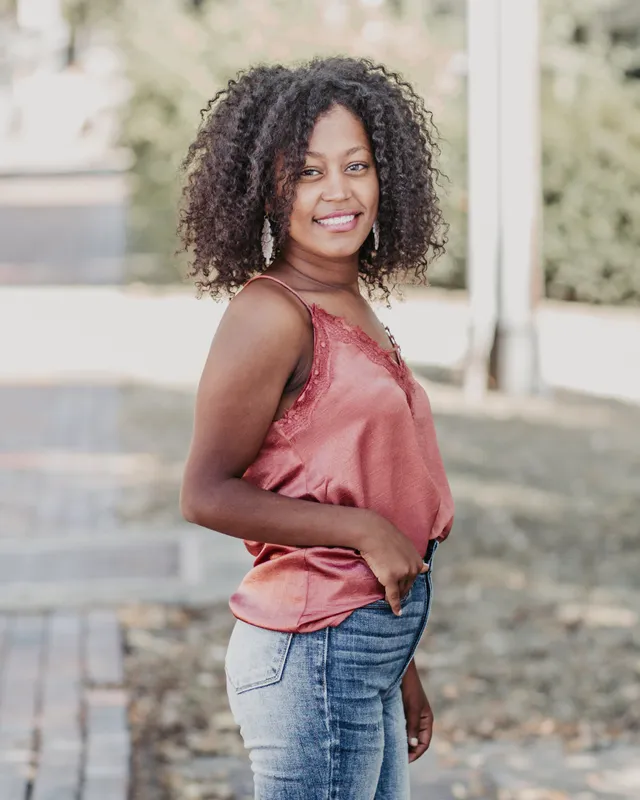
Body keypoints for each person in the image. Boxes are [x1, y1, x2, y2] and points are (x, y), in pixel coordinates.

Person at [179, 56, 454, 800]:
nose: (338, 192)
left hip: (361, 651)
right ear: (267, 191)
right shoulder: (272, 315)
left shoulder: (351, 304)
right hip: (311, 660)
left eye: (356, 165)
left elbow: (370, 489)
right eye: (307, 172)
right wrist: (364, 529)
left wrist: (402, 669)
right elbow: (206, 492)